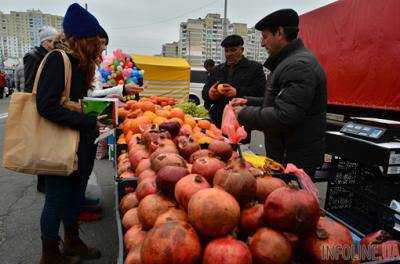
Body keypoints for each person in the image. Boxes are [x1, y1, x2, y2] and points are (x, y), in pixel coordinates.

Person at [36, 3, 107, 263]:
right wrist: (84, 119)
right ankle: (50, 253)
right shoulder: (58, 59)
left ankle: (73, 241)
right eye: (96, 41)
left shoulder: (80, 63)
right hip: (60, 145)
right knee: (56, 199)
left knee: (75, 197)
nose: (99, 47)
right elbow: (45, 105)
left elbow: (74, 101)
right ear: (82, 39)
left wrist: (93, 115)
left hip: (80, 145)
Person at [234, 9, 327, 178]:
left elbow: (285, 115)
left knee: (291, 203)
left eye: (265, 36)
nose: (262, 43)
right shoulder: (288, 62)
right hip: (286, 154)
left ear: (280, 32)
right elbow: (277, 102)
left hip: (294, 160)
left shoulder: (298, 65)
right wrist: (247, 102)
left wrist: (243, 114)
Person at [202, 34, 266, 127]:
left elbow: (260, 93)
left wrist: (237, 92)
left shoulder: (254, 68)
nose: (229, 54)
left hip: (240, 123)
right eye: (226, 51)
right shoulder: (217, 69)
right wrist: (210, 94)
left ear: (241, 50)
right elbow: (205, 92)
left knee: (238, 142)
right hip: (217, 122)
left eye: (233, 50)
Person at [24, 25, 58, 93]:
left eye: (55, 42)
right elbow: (29, 82)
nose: (52, 45)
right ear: (43, 41)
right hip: (38, 98)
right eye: (49, 41)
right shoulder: (33, 56)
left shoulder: (52, 55)